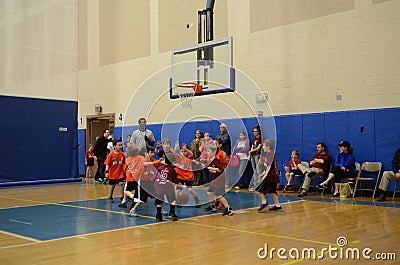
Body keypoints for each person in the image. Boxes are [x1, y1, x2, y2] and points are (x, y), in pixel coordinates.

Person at [202, 144, 233, 216]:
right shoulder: (211, 160)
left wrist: (213, 169)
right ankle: (213, 205)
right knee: (209, 193)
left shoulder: (216, 160)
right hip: (214, 180)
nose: (207, 153)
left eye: (209, 151)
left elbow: (221, 170)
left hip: (219, 180)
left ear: (213, 152)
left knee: (219, 195)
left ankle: (228, 209)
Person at [256, 139, 283, 212]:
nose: (263, 147)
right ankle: (278, 206)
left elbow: (269, 166)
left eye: (264, 146)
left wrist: (265, 175)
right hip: (273, 176)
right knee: (272, 191)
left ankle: (264, 203)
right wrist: (263, 173)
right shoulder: (270, 154)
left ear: (268, 146)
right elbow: (269, 167)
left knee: (259, 189)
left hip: (271, 177)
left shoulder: (270, 154)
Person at [153, 153, 179, 221]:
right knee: (172, 200)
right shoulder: (171, 169)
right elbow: (175, 180)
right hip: (168, 186)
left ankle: (158, 214)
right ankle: (172, 213)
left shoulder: (160, 168)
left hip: (158, 186)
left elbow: (154, 178)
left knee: (159, 201)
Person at [175, 143, 201, 207]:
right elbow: (174, 152)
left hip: (188, 176)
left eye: (185, 151)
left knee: (190, 190)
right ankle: (179, 201)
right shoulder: (178, 157)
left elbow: (192, 154)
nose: (183, 153)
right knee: (178, 190)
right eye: (182, 151)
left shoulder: (189, 157)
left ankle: (197, 200)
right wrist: (176, 147)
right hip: (180, 176)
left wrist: (186, 149)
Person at [104, 139, 125, 204]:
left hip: (120, 173)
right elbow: (107, 163)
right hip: (112, 173)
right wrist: (107, 172)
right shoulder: (111, 154)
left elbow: (124, 163)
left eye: (121, 145)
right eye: (119, 145)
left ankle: (122, 197)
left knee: (122, 184)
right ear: (114, 146)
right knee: (112, 186)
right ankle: (110, 197)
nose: (121, 146)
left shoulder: (122, 154)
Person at [248, 125, 263, 191]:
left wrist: (251, 151)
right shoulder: (254, 139)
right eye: (254, 131)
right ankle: (255, 184)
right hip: (253, 155)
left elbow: (258, 148)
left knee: (259, 170)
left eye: (256, 131)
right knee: (254, 170)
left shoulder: (260, 138)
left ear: (259, 132)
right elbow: (252, 147)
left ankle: (259, 184)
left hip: (257, 155)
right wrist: (249, 154)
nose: (255, 133)